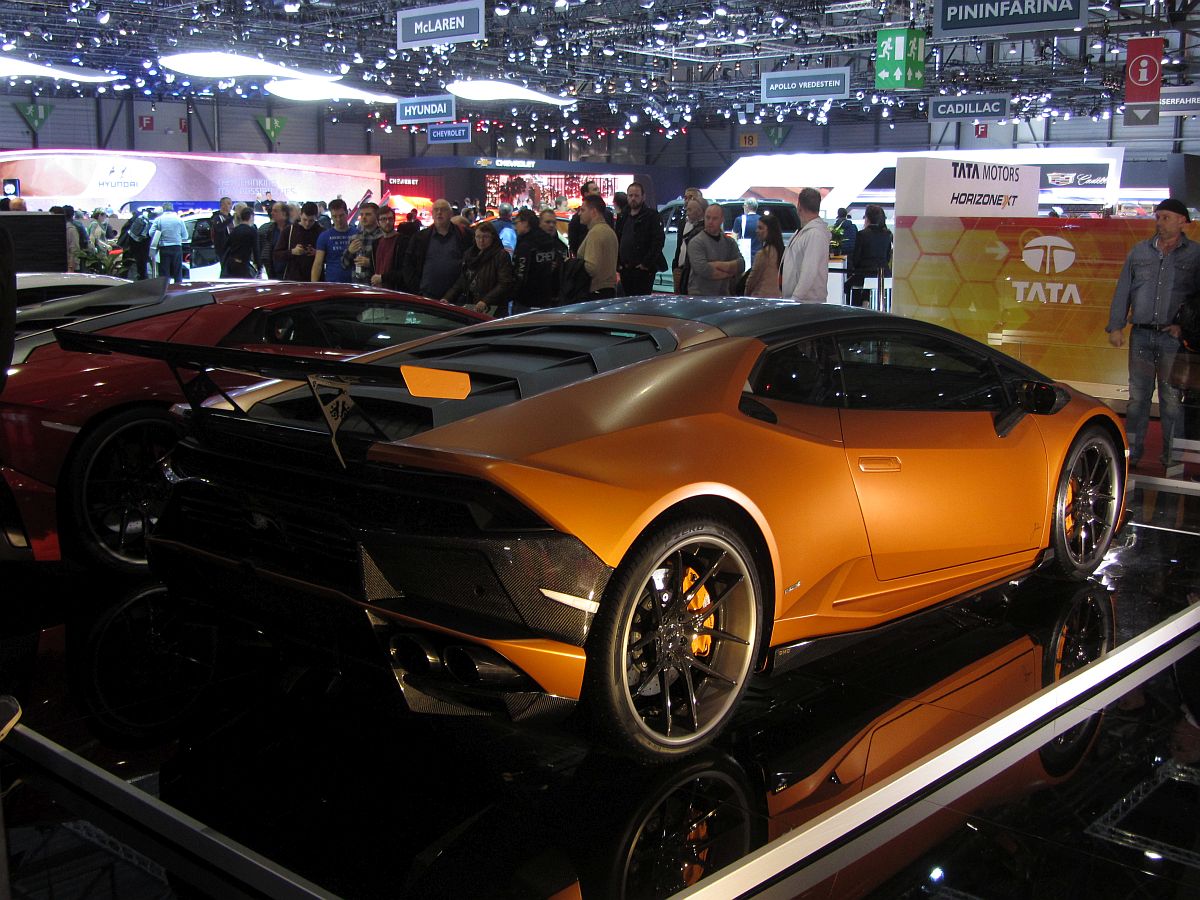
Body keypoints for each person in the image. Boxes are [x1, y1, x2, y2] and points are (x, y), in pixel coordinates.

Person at [1106, 198, 1200, 470]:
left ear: (1182, 221)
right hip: (1142, 334)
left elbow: (1198, 299)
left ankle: (1173, 457)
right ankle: (1132, 454)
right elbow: (1124, 289)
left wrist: (1185, 327)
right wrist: (1116, 325)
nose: (1160, 222)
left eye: (1166, 217)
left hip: (1172, 338)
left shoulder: (1194, 255)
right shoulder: (1140, 252)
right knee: (1138, 398)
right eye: (1158, 217)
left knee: (1171, 400)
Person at [403, 198, 472, 299]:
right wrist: (417, 289)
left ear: (450, 214)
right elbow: (408, 264)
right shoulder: (420, 238)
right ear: (432, 214)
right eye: (436, 209)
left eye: (443, 209)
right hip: (427, 296)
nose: (439, 212)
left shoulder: (465, 236)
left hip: (457, 297)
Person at [444, 222, 513, 315]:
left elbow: (504, 283)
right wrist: (447, 298)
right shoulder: (470, 254)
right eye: (478, 236)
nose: (481, 240)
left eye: (485, 237)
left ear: (493, 238)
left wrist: (485, 301)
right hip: (473, 304)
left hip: (493, 308)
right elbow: (463, 280)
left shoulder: (501, 255)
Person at [615, 181, 666, 297]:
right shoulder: (622, 216)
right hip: (625, 269)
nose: (633, 198)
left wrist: (645, 264)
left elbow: (658, 242)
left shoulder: (652, 216)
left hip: (643, 271)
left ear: (643, 197)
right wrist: (618, 263)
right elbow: (617, 239)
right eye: (630, 195)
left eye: (636, 195)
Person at [781, 187, 831, 303]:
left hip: (806, 303)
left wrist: (795, 299)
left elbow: (809, 271)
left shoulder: (815, 234)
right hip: (799, 301)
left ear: (799, 206)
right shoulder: (804, 231)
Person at [511, 208, 565, 313]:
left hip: (526, 299)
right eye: (548, 222)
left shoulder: (526, 244)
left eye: (516, 223)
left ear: (525, 223)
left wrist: (513, 293)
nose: (515, 226)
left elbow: (521, 273)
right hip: (546, 298)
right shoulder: (551, 242)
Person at [687, 202, 745, 296]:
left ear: (722, 220)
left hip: (723, 294)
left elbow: (741, 265)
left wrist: (716, 265)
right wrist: (729, 272)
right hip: (699, 295)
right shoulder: (696, 242)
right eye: (708, 217)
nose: (710, 221)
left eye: (714, 218)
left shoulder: (729, 242)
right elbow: (704, 270)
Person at [844, 205, 893, 305]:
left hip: (865, 274)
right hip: (884, 276)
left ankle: (860, 306)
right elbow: (887, 257)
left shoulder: (862, 234)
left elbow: (856, 259)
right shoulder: (888, 234)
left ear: (867, 218)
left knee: (847, 286)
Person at [576, 193, 618, 299]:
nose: (579, 213)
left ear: (593, 212)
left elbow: (591, 267)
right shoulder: (609, 231)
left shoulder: (596, 233)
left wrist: (572, 265)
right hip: (608, 290)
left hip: (596, 291)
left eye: (583, 210)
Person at [274, 200, 323, 281]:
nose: (307, 223)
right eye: (304, 219)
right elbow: (276, 255)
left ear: (316, 218)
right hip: (293, 278)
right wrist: (292, 252)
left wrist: (318, 254)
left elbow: (331, 257)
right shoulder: (289, 231)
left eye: (311, 221)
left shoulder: (321, 232)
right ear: (300, 215)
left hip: (315, 279)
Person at [311, 197, 357, 283]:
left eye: (341, 216)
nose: (338, 219)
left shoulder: (357, 234)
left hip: (355, 281)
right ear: (331, 216)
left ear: (347, 213)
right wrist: (314, 285)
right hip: (333, 282)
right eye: (335, 216)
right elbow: (318, 264)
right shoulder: (324, 236)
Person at [744, 214, 785, 298]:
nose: (756, 231)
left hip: (761, 297)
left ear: (770, 230)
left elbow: (752, 280)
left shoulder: (763, 254)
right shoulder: (783, 252)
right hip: (779, 297)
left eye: (760, 228)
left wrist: (746, 295)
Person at [568, 181, 613, 256]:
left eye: (598, 189)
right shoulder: (577, 218)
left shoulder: (607, 214)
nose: (598, 192)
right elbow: (574, 244)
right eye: (595, 189)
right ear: (586, 194)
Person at [342, 201, 382, 284]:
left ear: (377, 216)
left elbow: (388, 266)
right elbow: (344, 265)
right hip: (357, 285)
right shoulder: (354, 238)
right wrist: (349, 252)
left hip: (376, 285)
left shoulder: (382, 237)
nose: (363, 217)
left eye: (368, 214)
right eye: (362, 214)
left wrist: (371, 263)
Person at [673, 196, 706, 292]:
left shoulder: (701, 232)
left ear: (700, 211)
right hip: (684, 271)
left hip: (695, 279)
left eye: (690, 210)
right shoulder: (688, 226)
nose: (687, 213)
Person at [151, 201, 188, 283]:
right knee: (177, 271)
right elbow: (185, 236)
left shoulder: (158, 220)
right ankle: (178, 287)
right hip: (177, 248)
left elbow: (151, 233)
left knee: (164, 272)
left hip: (164, 248)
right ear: (172, 209)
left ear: (163, 209)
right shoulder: (179, 219)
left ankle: (165, 288)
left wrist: (160, 235)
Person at [223, 206, 259, 278]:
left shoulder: (235, 230)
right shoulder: (252, 231)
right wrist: (259, 266)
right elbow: (256, 250)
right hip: (243, 265)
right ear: (251, 217)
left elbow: (226, 246)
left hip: (231, 263)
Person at [258, 201, 289, 278]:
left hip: (288, 270)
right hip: (273, 271)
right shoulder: (270, 229)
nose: (272, 213)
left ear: (284, 213)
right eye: (272, 210)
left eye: (275, 211)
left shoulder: (292, 229)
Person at [121, 207, 152, 279]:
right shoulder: (146, 222)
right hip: (140, 250)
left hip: (129, 248)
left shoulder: (134, 220)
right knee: (140, 267)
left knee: (129, 266)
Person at [210, 196, 234, 275]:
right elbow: (219, 228)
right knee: (224, 270)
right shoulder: (216, 217)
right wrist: (231, 219)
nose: (231, 206)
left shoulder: (231, 218)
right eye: (228, 203)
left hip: (232, 248)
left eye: (231, 204)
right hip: (222, 248)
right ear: (222, 205)